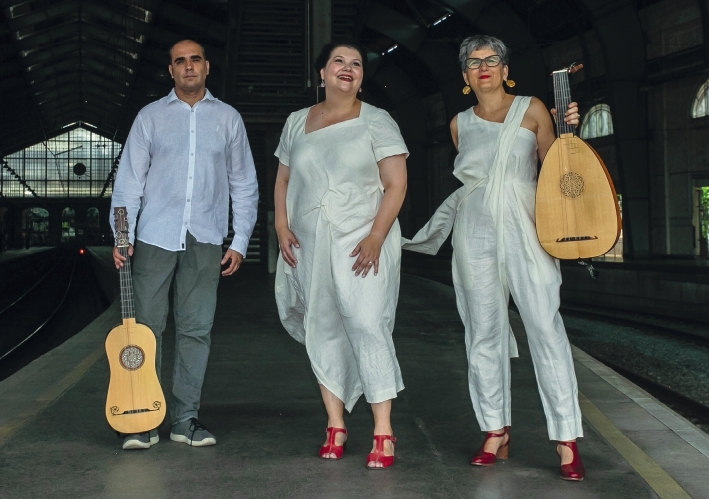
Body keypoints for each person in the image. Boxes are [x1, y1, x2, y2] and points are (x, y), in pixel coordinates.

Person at [403, 35, 585, 481]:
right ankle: (494, 429)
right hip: (474, 232)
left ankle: (566, 438)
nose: (483, 66)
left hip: (528, 228)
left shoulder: (533, 108)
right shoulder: (458, 123)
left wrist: (570, 132)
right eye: (473, 61)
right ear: (465, 76)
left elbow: (562, 172)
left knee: (545, 325)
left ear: (505, 69)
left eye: (492, 59)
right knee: (482, 330)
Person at [110, 39, 258, 451]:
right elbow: (128, 184)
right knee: (144, 331)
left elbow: (244, 183)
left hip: (205, 237)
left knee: (196, 330)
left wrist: (240, 240)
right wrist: (122, 237)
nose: (189, 67)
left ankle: (185, 418)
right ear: (170, 70)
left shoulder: (228, 119)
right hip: (155, 237)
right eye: (180, 61)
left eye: (195, 60)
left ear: (207, 67)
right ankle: (143, 418)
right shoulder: (150, 118)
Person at [274, 42, 408, 469]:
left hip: (362, 241)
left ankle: (383, 429)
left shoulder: (377, 121)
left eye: (356, 64)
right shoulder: (297, 122)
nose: (347, 69)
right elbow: (283, 180)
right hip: (310, 242)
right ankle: (335, 422)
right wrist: (280, 224)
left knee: (368, 324)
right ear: (322, 73)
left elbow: (396, 184)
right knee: (324, 324)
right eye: (338, 61)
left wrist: (376, 236)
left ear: (362, 77)